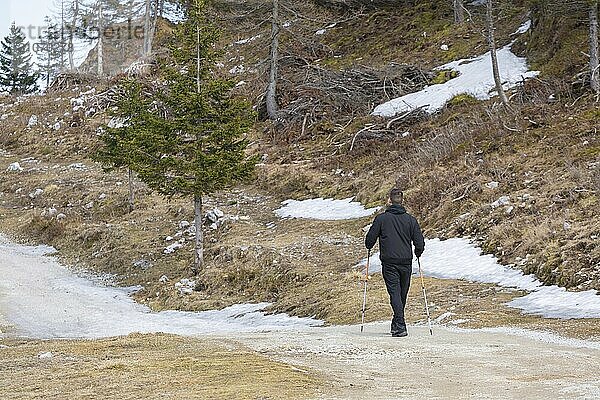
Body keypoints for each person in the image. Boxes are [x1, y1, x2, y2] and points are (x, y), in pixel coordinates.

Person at [365, 188, 425, 337]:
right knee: (401, 293)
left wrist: (369, 245)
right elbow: (420, 243)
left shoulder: (381, 219)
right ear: (402, 201)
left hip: (389, 262)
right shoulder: (411, 220)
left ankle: (400, 325)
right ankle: (397, 323)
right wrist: (418, 253)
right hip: (406, 262)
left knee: (395, 293)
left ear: (389, 201)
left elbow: (369, 240)